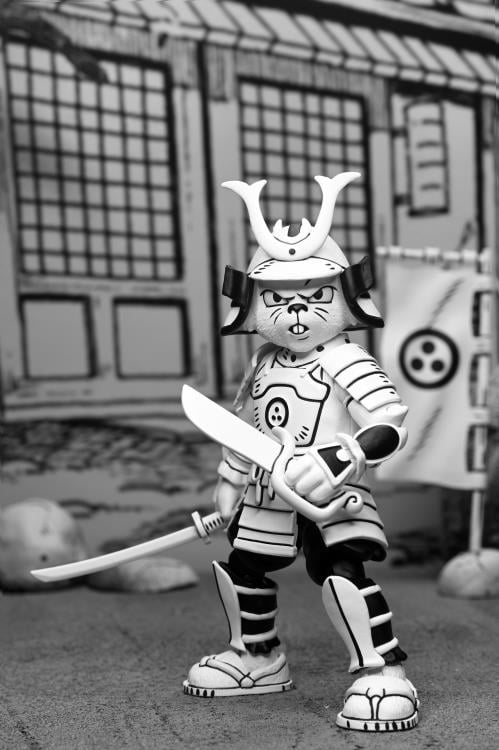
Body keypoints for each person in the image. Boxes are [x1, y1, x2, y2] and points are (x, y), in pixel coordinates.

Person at [183, 173, 419, 732]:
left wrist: (338, 460)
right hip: (267, 491)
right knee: (245, 565)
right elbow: (250, 425)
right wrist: (231, 479)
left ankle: (383, 672)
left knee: (341, 570)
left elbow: (389, 423)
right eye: (278, 298)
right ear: (253, 303)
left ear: (345, 297)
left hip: (332, 493)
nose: (295, 312)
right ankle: (257, 658)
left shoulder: (346, 360)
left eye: (315, 297)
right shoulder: (264, 363)